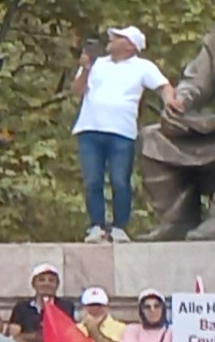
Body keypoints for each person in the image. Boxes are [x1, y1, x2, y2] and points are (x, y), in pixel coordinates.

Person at [70, 23, 165, 234]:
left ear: (130, 46)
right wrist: (85, 69)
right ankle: (96, 225)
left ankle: (119, 226)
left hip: (122, 133)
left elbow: (163, 86)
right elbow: (77, 91)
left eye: (118, 37)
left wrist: (172, 102)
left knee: (120, 180)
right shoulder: (96, 64)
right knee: (92, 180)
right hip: (90, 129)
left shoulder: (143, 67)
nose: (111, 39)